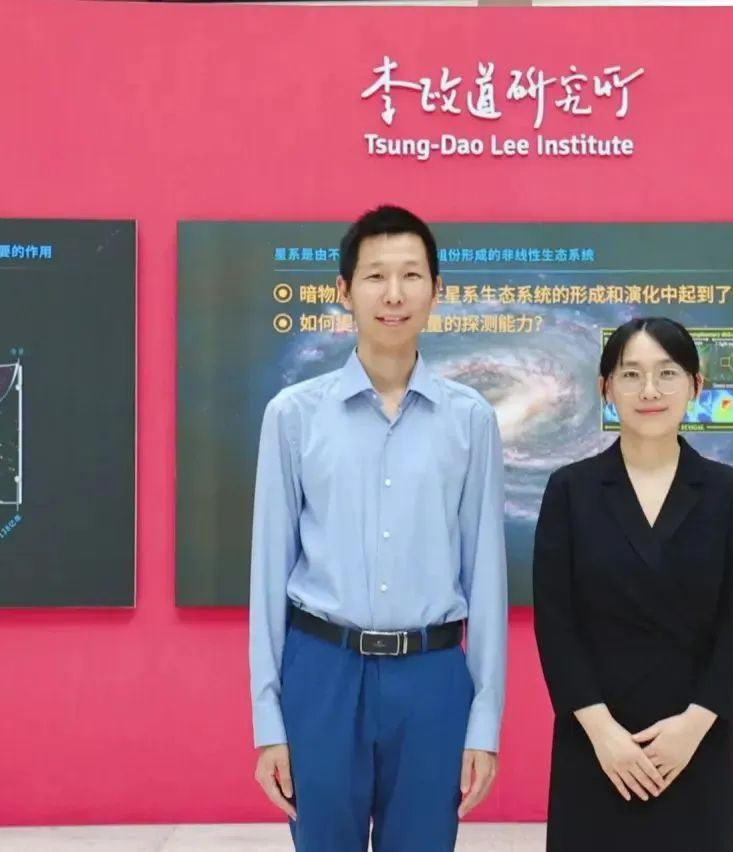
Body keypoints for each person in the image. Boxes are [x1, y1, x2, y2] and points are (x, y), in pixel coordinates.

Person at [249, 205, 508, 852]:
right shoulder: (293, 416)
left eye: (411, 275)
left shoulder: (470, 420)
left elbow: (486, 576)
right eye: (375, 276)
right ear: (345, 290)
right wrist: (268, 720)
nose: (394, 294)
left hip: (431, 676)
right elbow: (268, 574)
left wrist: (484, 723)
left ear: (435, 290)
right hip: (322, 672)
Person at [532, 316, 733, 851]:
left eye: (667, 373)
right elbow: (556, 624)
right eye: (631, 374)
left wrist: (694, 726)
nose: (650, 390)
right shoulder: (571, 490)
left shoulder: (728, 493)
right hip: (595, 743)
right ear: (605, 388)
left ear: (696, 385)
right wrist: (602, 732)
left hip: (695, 743)